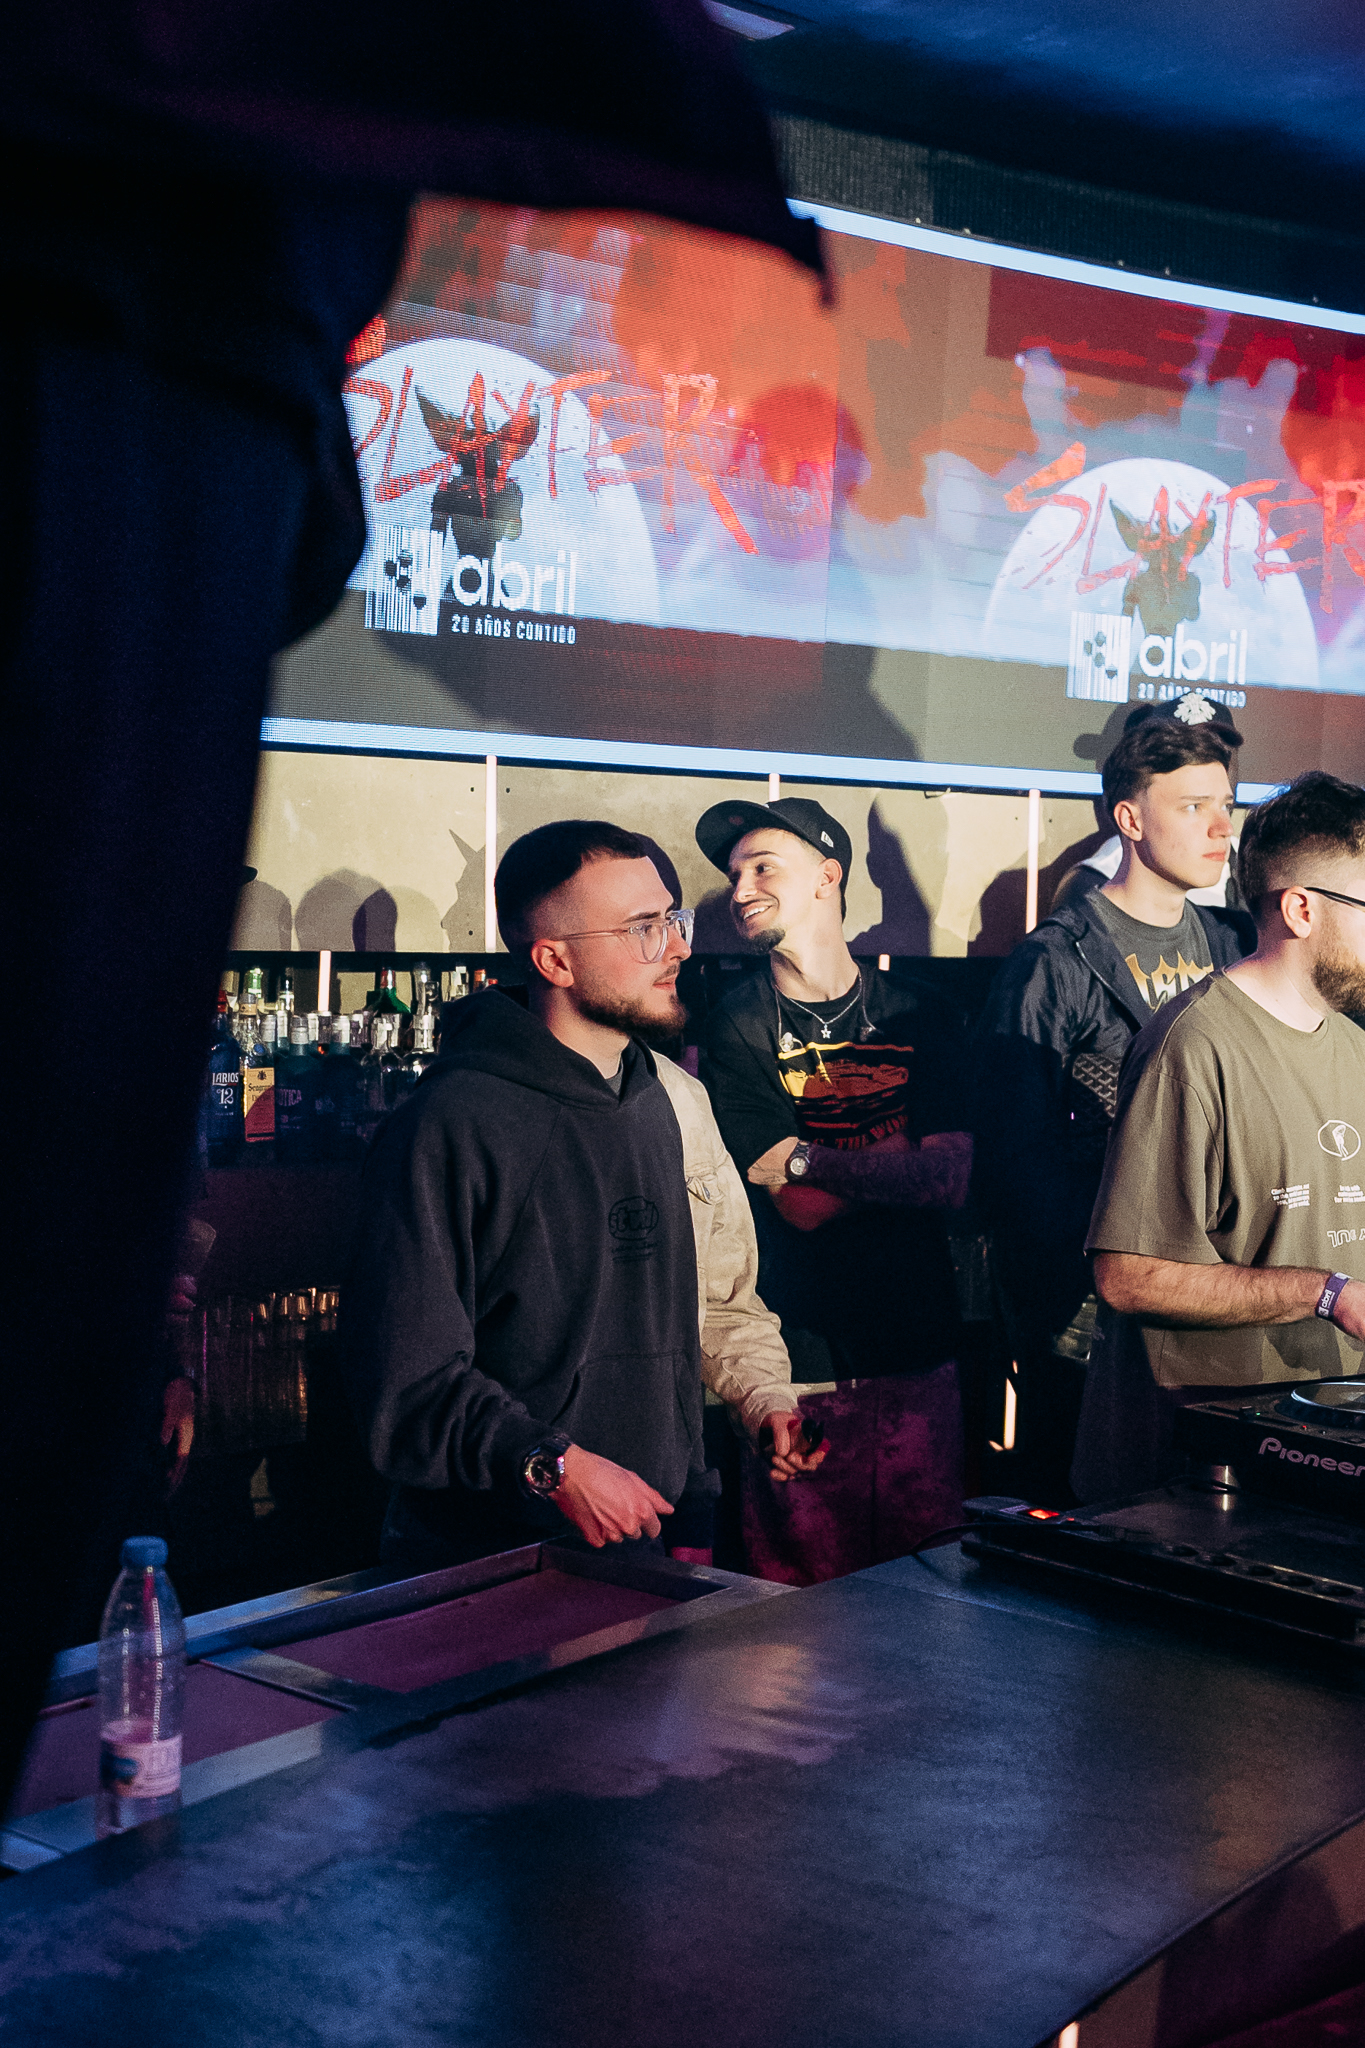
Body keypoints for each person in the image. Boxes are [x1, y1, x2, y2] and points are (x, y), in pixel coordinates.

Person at [343, 820, 821, 1572]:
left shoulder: (669, 1100)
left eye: (673, 919)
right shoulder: (450, 1123)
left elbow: (717, 1302)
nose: (677, 947)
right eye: (642, 928)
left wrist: (764, 1402)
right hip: (486, 1562)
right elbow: (406, 1387)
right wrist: (552, 1466)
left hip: (644, 1545)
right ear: (554, 960)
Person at [972, 715, 1255, 1492]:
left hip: (1207, 1293)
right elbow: (1011, 1158)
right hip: (1083, 1312)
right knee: (1083, 1505)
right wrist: (1095, 1273)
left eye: (1225, 805)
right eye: (1192, 806)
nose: (1219, 827)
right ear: (1129, 819)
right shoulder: (1054, 960)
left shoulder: (1230, 945)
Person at [695, 796, 973, 1583]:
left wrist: (808, 1158)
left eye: (762, 868)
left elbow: (949, 1175)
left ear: (826, 877)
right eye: (734, 874)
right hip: (797, 1357)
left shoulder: (923, 1012)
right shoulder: (734, 1023)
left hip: (918, 1344)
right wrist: (897, 1152)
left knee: (930, 1583)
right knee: (799, 1600)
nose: (740, 889)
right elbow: (799, 1208)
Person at [1076, 771, 1365, 1501]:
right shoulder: (1192, 1044)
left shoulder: (1354, 1047)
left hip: (1325, 1442)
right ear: (1301, 909)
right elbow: (1128, 1274)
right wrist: (1325, 1294)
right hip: (1198, 1471)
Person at [1052, 694, 1247, 915]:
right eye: (1184, 754)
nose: (1208, 766)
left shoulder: (1251, 865)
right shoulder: (1097, 881)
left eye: (1220, 753)